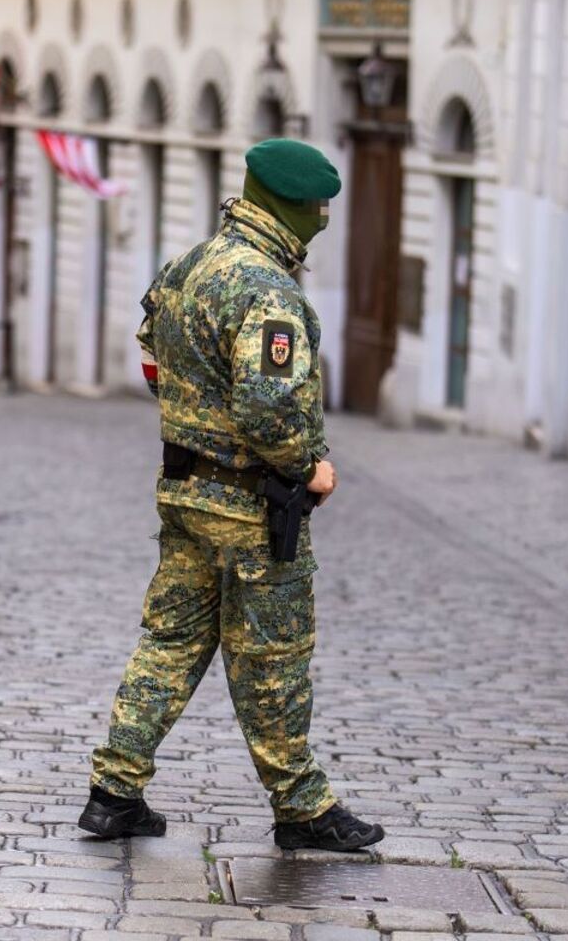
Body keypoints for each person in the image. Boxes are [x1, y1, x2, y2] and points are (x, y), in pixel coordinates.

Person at [79, 139, 386, 853]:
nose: (323, 219)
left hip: (186, 492)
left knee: (172, 641)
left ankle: (114, 791)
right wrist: (309, 467)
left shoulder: (191, 265)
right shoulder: (269, 291)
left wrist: (196, 421)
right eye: (319, 207)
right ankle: (302, 808)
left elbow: (153, 358)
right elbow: (266, 410)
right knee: (272, 656)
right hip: (252, 507)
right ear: (293, 206)